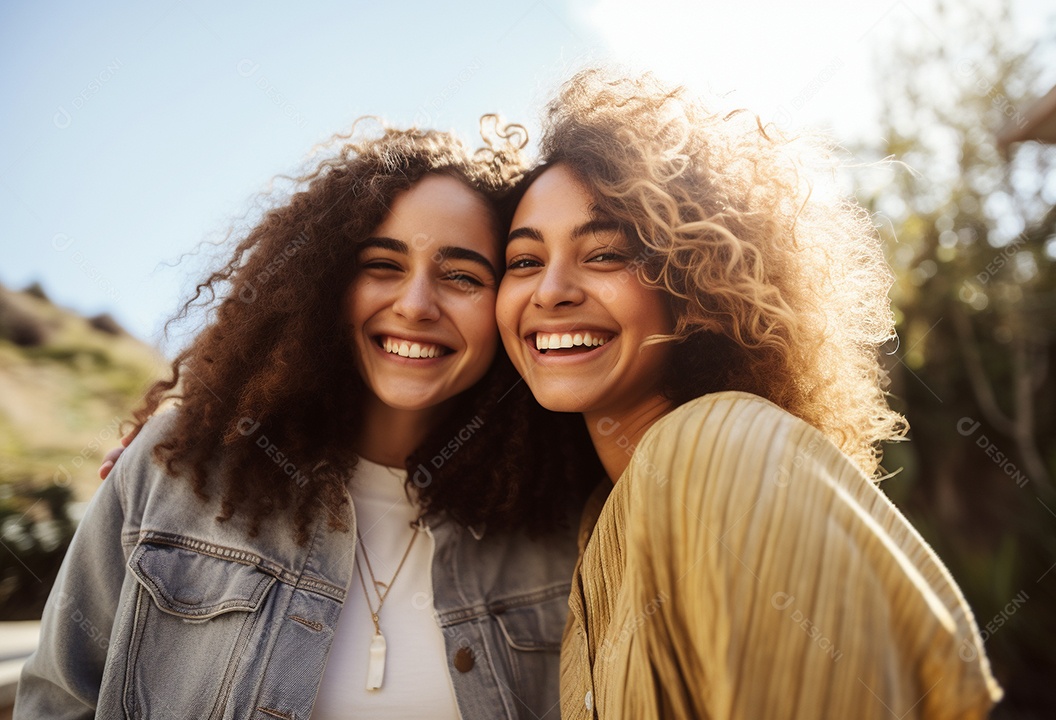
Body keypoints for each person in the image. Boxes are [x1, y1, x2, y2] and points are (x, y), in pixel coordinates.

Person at [15, 122, 601, 719]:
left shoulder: (563, 519)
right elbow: (59, 702)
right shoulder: (178, 468)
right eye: (383, 265)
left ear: (505, 305)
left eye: (462, 276)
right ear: (324, 285)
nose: (416, 304)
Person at [495, 69, 1003, 719]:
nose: (551, 291)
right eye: (524, 261)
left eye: (605, 254)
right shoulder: (602, 525)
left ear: (699, 291)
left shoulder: (714, 450)